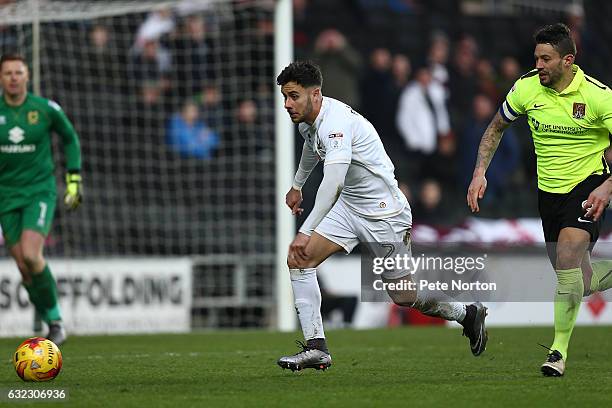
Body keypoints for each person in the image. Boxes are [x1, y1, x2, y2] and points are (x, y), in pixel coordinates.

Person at [276, 61, 487, 371]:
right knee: (300, 260)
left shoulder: (335, 124)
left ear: (316, 94)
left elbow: (332, 182)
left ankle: (466, 314)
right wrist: (297, 185)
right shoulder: (309, 119)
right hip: (349, 208)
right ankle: (316, 348)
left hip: (384, 214)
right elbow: (311, 145)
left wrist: (306, 229)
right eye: (285, 96)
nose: (287, 104)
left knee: (404, 295)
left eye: (293, 96)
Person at [467, 23, 612, 377]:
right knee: (577, 277)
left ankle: (558, 351)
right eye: (536, 57)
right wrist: (479, 172)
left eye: (546, 58)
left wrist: (607, 187)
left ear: (568, 60)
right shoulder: (527, 87)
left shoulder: (598, 96)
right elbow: (496, 128)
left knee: (567, 258)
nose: (539, 64)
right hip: (548, 194)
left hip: (588, 186)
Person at [0, 53, 82, 345]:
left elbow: (70, 137)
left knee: (33, 255)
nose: (13, 77)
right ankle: (50, 319)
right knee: (23, 267)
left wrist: (74, 178)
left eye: (18, 72)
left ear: (27, 76)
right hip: (5, 196)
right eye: (7, 72)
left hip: (39, 191)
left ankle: (57, 322)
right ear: (1, 78)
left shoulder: (45, 109)